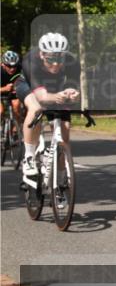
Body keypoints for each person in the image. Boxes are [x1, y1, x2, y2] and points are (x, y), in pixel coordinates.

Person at [17, 33, 82, 181]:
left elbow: (72, 85)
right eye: (51, 59)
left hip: (55, 87)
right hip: (28, 85)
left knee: (64, 129)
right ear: (41, 54)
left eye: (60, 59)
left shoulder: (72, 62)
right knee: (36, 108)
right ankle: (28, 157)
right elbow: (42, 96)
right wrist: (57, 97)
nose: (55, 64)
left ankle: (60, 179)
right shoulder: (30, 60)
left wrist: (73, 93)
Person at [1, 50, 25, 128]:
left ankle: (15, 130)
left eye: (14, 66)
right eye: (9, 66)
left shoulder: (20, 68)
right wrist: (4, 88)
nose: (12, 69)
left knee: (16, 106)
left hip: (12, 92)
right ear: (3, 65)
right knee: (0, 111)